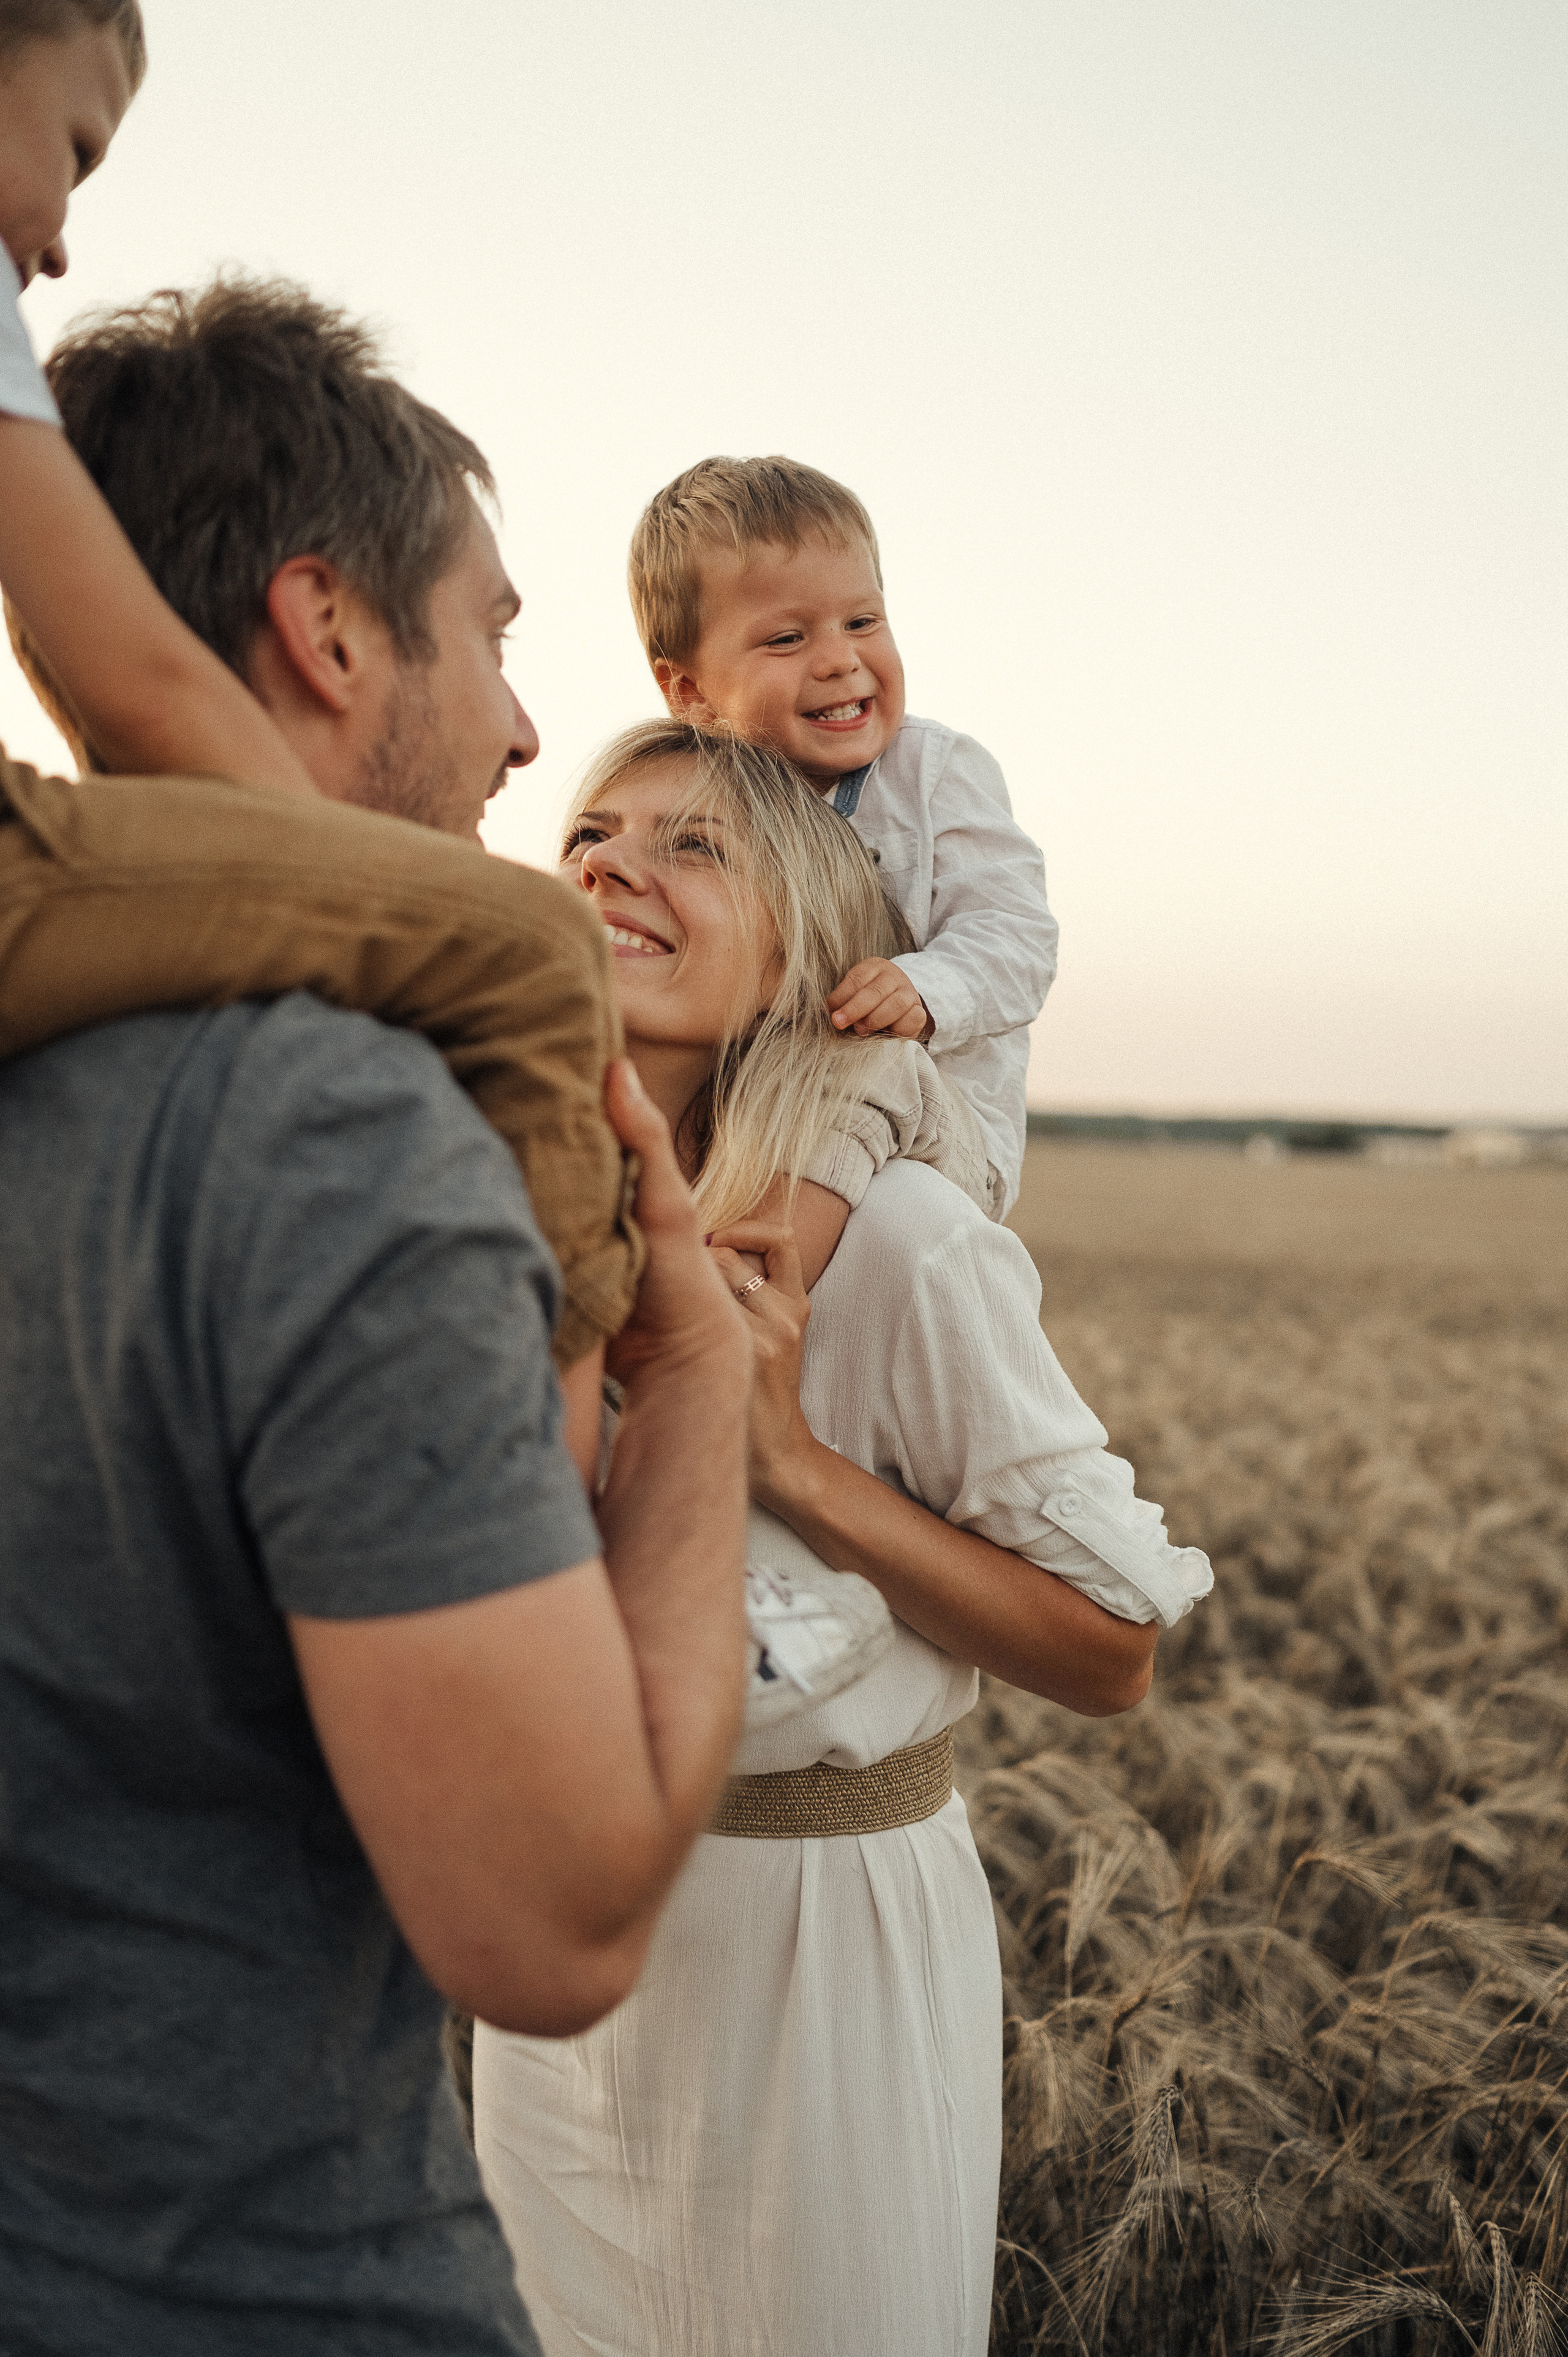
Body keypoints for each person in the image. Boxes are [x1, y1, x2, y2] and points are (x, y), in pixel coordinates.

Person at [472, 722, 1213, 2357]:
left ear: (811, 959)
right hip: (562, 1937)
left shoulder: (902, 1243)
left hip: (809, 1940)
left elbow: (1112, 1649)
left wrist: (790, 1462)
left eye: (693, 844)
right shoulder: (500, 1216)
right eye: (590, 834)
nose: (612, 864)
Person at [1, 22, 637, 1374]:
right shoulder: (345, 1141)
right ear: (326, 630)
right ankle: (568, 1366)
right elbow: (154, 687)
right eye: (76, 151)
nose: (58, 248)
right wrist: (683, 1367)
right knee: (535, 943)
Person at [629, 454, 1058, 1218]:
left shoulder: (932, 773)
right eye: (786, 639)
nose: (839, 659)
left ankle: (754, 1274)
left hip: (934, 1128)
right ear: (690, 692)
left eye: (862, 622)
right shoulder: (699, 805)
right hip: (751, 1114)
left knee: (863, 1075)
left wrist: (927, 988)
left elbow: (1018, 937)